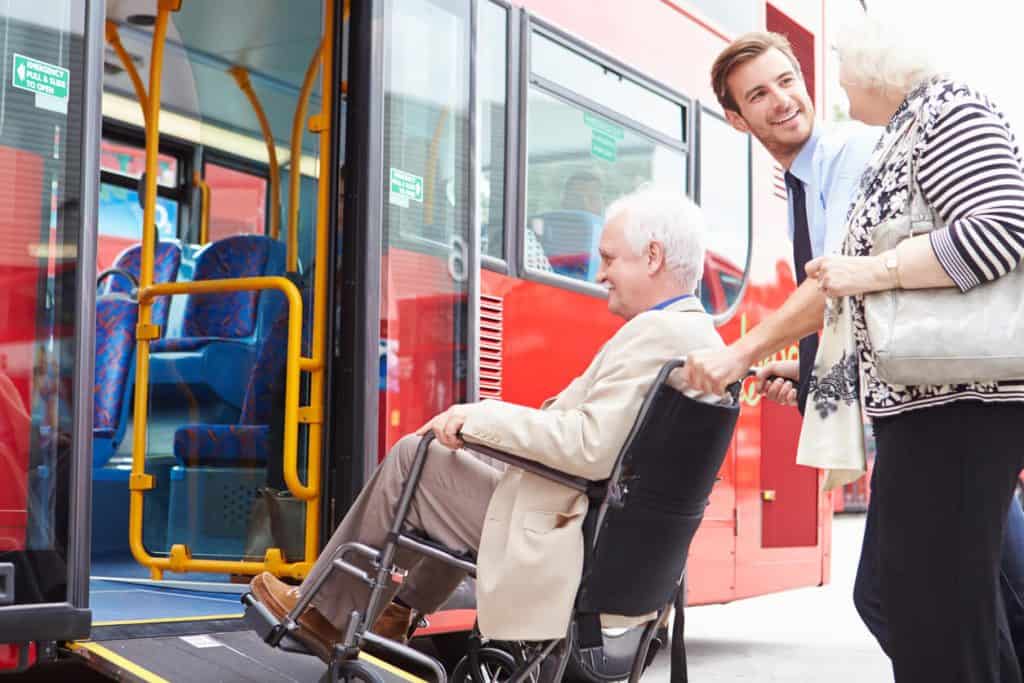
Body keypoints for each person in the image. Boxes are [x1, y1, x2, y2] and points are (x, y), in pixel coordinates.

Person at [249, 188, 725, 661]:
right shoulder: (699, 335)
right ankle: (395, 612)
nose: (600, 274)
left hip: (572, 541)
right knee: (456, 455)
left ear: (653, 257)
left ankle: (324, 614)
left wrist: (481, 414)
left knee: (415, 460)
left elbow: (589, 447)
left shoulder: (657, 334)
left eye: (609, 259)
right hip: (611, 543)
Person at [686, 24, 1024, 682]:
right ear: (736, 117)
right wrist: (811, 373)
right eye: (760, 94)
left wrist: (743, 350)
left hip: (956, 397)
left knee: (935, 605)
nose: (789, 98)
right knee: (948, 607)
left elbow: (853, 276)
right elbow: (853, 305)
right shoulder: (810, 182)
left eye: (791, 80)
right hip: (928, 399)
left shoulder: (866, 147)